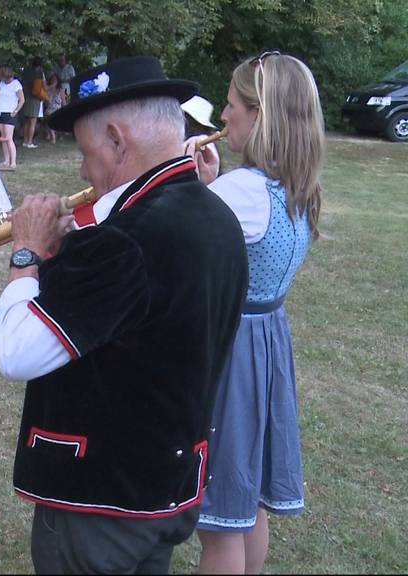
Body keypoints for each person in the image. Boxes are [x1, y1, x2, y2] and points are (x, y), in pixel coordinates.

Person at [0, 55, 248, 574]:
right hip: (166, 489)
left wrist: (28, 256)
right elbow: (143, 323)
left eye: (86, 154)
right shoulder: (217, 214)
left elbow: (16, 353)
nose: (83, 171)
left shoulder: (125, 242)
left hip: (102, 504)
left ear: (116, 140)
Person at [185, 52, 324, 575]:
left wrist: (180, 182)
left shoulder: (240, 193)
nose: (223, 116)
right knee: (247, 504)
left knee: (219, 524)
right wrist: (209, 187)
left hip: (230, 355)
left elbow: (178, 239)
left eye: (231, 104)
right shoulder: (296, 188)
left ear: (259, 114)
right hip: (266, 347)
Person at [0, 65, 24, 168]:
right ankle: (6, 160)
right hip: (1, 112)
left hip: (10, 113)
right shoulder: (1, 84)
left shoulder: (16, 84)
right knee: (3, 138)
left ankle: (13, 162)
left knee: (8, 138)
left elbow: (22, 100)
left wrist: (15, 111)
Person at [21, 58, 46, 149]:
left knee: (26, 121)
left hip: (25, 97)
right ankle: (30, 142)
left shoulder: (26, 72)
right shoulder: (39, 73)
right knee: (33, 122)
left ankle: (25, 141)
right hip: (35, 98)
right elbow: (42, 86)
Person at [43, 73, 65, 144]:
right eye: (52, 79)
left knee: (52, 118)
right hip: (49, 108)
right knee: (49, 116)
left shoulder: (60, 89)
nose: (53, 81)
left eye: (55, 79)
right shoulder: (48, 89)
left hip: (58, 108)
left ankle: (54, 135)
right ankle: (52, 136)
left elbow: (63, 100)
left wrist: (64, 109)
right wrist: (51, 86)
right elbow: (45, 100)